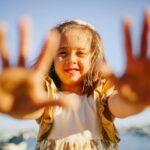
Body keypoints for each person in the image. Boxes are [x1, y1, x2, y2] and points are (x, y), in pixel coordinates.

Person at [0, 10, 150, 149]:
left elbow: (121, 105)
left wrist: (133, 100)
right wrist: (20, 105)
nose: (71, 59)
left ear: (93, 58)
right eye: (63, 52)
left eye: (80, 53)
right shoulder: (47, 94)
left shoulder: (100, 95)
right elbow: (34, 107)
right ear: (52, 58)